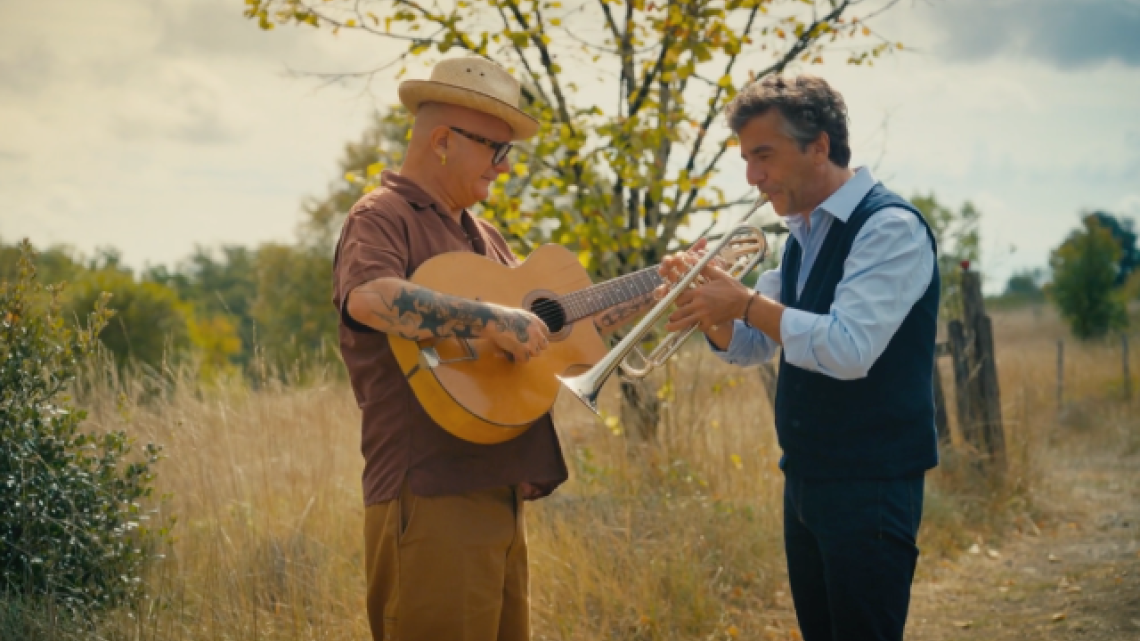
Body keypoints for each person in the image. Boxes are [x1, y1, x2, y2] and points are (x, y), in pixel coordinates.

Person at [331, 55, 652, 641]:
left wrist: (661, 286)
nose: (505, 168)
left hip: (498, 485)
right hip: (429, 494)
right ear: (444, 141)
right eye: (496, 150)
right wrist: (487, 317)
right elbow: (369, 299)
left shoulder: (484, 235)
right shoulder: (380, 216)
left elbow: (562, 328)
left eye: (509, 154)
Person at [659, 75, 940, 641]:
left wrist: (743, 300)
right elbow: (753, 347)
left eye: (764, 155)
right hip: (808, 477)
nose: (752, 176)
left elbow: (847, 348)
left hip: (871, 483)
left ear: (819, 146)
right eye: (746, 159)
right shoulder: (801, 236)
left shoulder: (889, 228)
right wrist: (712, 311)